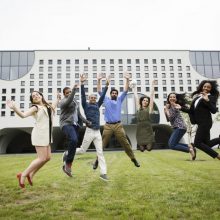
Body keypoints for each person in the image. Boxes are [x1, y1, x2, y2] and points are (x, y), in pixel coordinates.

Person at [7, 91, 60, 188]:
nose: (36, 96)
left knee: (47, 158)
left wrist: (57, 98)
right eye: (33, 96)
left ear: (41, 96)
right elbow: (23, 115)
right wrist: (14, 108)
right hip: (39, 135)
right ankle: (23, 175)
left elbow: (53, 106)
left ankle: (31, 175)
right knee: (41, 158)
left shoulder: (47, 106)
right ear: (33, 100)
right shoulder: (35, 108)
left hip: (47, 135)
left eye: (37, 94)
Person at [93, 73, 140, 169]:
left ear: (117, 95)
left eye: (115, 93)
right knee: (102, 144)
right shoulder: (105, 99)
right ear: (110, 94)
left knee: (126, 143)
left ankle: (133, 159)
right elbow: (99, 90)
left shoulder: (119, 99)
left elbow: (126, 90)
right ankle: (97, 161)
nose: (114, 94)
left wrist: (127, 80)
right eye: (113, 93)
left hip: (118, 125)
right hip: (108, 126)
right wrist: (98, 80)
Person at [76, 74, 109, 181]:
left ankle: (103, 173)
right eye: (92, 98)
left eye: (94, 98)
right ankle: (68, 153)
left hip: (97, 132)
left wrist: (107, 85)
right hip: (89, 131)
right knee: (82, 150)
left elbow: (103, 96)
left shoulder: (97, 105)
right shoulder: (86, 105)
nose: (94, 99)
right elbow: (82, 96)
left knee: (100, 153)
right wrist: (81, 84)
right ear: (89, 99)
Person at [182, 80, 220, 160]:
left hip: (205, 123)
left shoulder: (211, 97)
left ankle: (217, 156)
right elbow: (191, 111)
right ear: (202, 87)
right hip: (200, 123)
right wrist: (181, 108)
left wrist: (207, 100)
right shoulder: (197, 98)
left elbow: (213, 110)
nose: (206, 88)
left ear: (211, 89)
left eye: (208, 87)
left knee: (197, 143)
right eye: (205, 86)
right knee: (207, 144)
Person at [59, 84, 90, 177]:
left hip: (75, 125)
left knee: (74, 141)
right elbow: (68, 101)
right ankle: (68, 162)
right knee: (74, 140)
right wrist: (73, 90)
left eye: (70, 92)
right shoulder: (63, 101)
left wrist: (86, 122)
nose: (69, 93)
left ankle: (68, 163)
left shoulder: (76, 102)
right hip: (66, 124)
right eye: (67, 92)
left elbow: (79, 115)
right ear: (64, 94)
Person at [164, 93, 196, 160]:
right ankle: (190, 146)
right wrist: (166, 111)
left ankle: (190, 149)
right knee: (172, 144)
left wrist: (166, 110)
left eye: (174, 97)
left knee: (172, 145)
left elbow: (170, 117)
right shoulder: (169, 106)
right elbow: (168, 119)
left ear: (176, 99)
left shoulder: (175, 106)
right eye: (170, 97)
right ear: (168, 98)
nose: (172, 98)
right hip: (177, 127)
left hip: (180, 127)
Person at [133, 80, 156, 152]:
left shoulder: (149, 109)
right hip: (139, 127)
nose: (145, 101)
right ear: (141, 101)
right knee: (142, 149)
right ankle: (141, 145)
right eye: (144, 100)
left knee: (149, 149)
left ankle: (150, 143)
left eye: (147, 101)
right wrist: (134, 87)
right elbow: (136, 96)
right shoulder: (138, 108)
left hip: (148, 127)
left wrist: (152, 86)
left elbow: (151, 96)